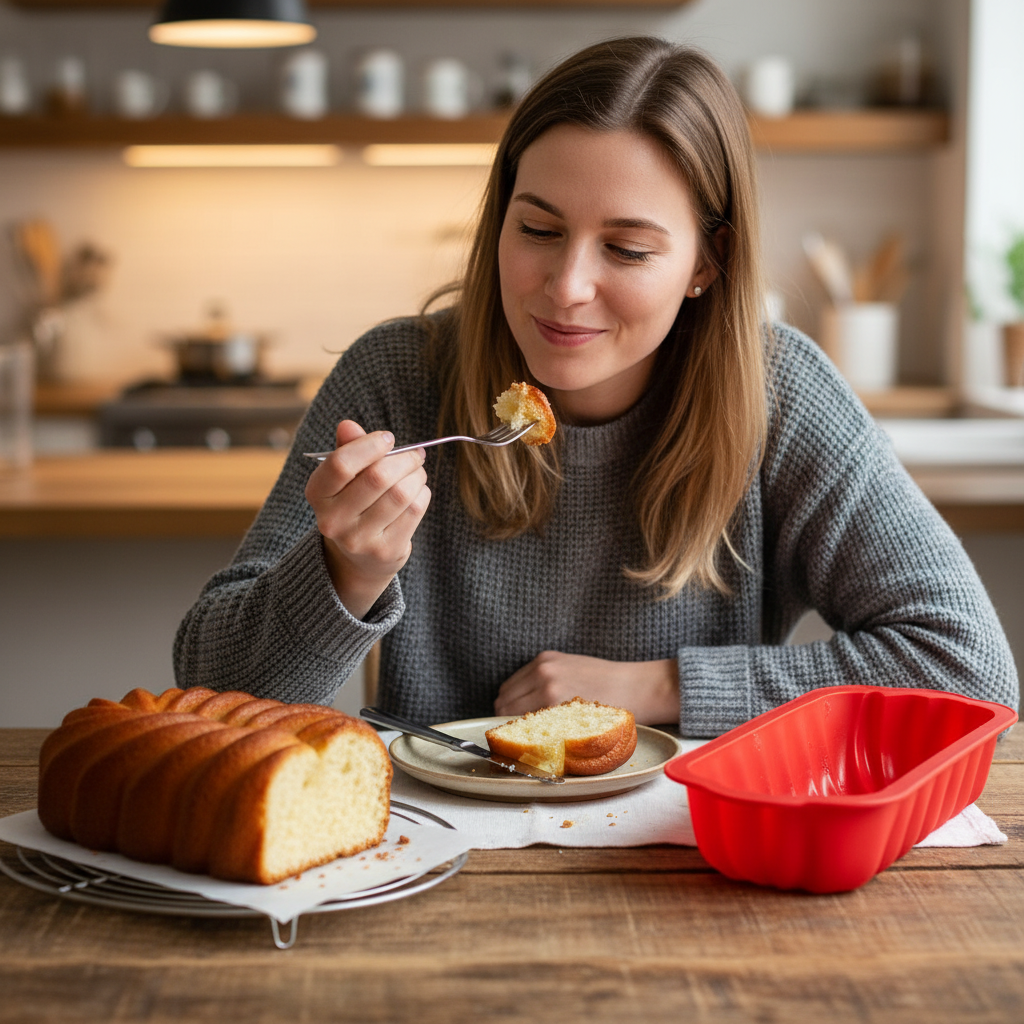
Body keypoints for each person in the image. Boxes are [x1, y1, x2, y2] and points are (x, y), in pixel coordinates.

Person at [174, 36, 1018, 734]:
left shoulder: (780, 395)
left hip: (692, 865)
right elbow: (212, 693)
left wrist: (658, 691)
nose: (566, 285)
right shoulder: (398, 378)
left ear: (706, 264)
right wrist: (342, 572)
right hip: (428, 853)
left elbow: (971, 674)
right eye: (538, 228)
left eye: (627, 249)